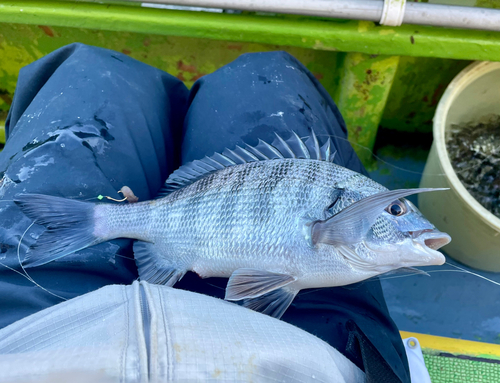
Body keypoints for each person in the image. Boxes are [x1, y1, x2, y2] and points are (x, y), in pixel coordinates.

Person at [0, 43, 410, 382]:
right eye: (395, 209)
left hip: (39, 337)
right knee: (270, 71)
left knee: (89, 67)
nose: (403, 218)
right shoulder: (347, 244)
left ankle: (100, 216)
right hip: (328, 355)